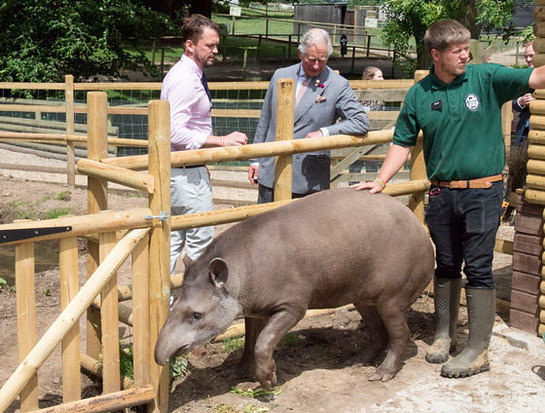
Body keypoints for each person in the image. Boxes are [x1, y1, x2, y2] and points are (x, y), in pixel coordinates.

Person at [351, 19, 545, 378]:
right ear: (436, 54)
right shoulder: (420, 94)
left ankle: (477, 348)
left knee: (479, 267)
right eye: (456, 50)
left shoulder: (486, 78)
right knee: (446, 264)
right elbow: (402, 141)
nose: (464, 55)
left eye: (465, 48)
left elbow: (535, 79)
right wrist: (380, 180)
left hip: (484, 192)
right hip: (441, 192)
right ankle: (444, 334)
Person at [161, 14, 248, 274]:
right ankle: (191, 309)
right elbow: (175, 132)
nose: (216, 51)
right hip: (186, 175)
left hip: (182, 170)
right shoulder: (186, 80)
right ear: (190, 45)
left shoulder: (184, 75)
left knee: (171, 242)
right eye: (209, 45)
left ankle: (164, 307)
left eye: (216, 45)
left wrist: (201, 160)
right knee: (199, 245)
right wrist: (221, 141)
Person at [247, 28, 369, 203]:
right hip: (270, 173)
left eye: (322, 60)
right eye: (311, 59)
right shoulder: (280, 75)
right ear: (300, 53)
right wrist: (256, 160)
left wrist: (325, 133)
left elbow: (361, 121)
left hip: (308, 180)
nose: (317, 66)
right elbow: (265, 120)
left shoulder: (338, 84)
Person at [349, 66, 385, 180]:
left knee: (372, 164)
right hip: (360, 134)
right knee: (355, 163)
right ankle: (352, 187)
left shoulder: (381, 96)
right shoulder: (359, 95)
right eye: (379, 76)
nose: (382, 79)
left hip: (374, 135)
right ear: (370, 79)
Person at [509, 41, 535, 190]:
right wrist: (520, 101)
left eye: (531, 56)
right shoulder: (523, 76)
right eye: (526, 56)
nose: (528, 59)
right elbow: (512, 102)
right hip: (522, 134)